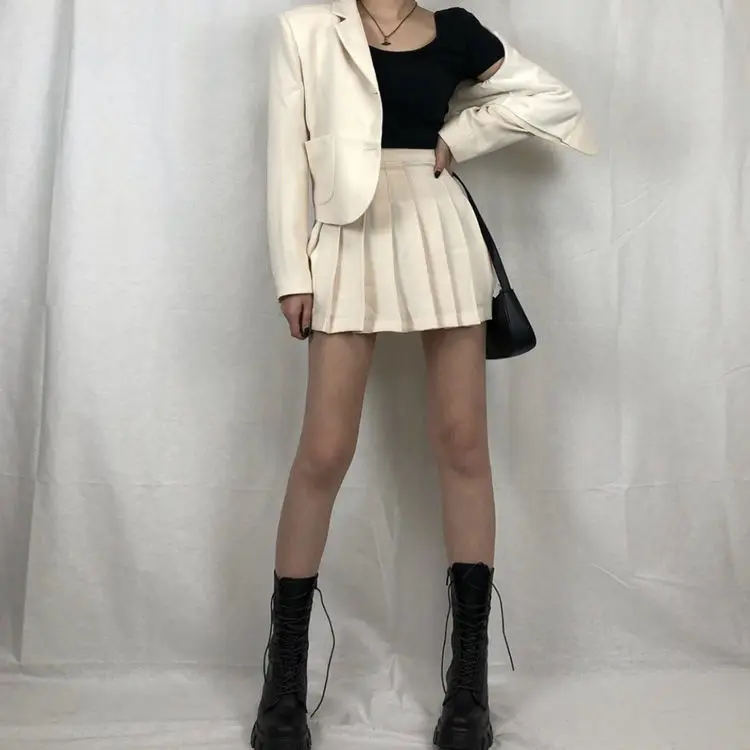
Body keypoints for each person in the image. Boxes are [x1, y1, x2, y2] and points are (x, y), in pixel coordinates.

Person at [252, 1, 596, 748]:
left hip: (439, 229)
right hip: (347, 232)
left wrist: (460, 136)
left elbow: (553, 97)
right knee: (324, 451)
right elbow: (286, 155)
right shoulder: (307, 30)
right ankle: (284, 684)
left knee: (463, 444)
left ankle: (468, 688)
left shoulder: (458, 31)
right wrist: (292, 275)